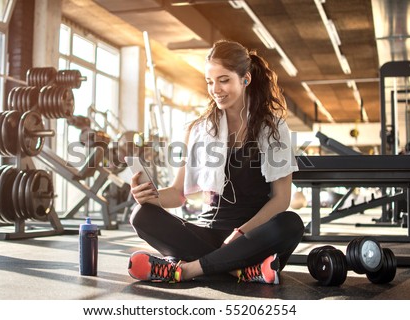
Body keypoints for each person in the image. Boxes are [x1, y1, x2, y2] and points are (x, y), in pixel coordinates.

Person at [127, 39, 304, 285]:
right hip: (207, 234)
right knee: (140, 215)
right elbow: (178, 194)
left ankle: (187, 270)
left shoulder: (273, 128)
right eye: (210, 82)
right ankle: (237, 270)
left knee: (291, 224)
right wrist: (150, 196)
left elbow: (281, 199)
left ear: (246, 79)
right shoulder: (198, 129)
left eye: (224, 80)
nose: (216, 89)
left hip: (251, 238)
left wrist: (240, 233)